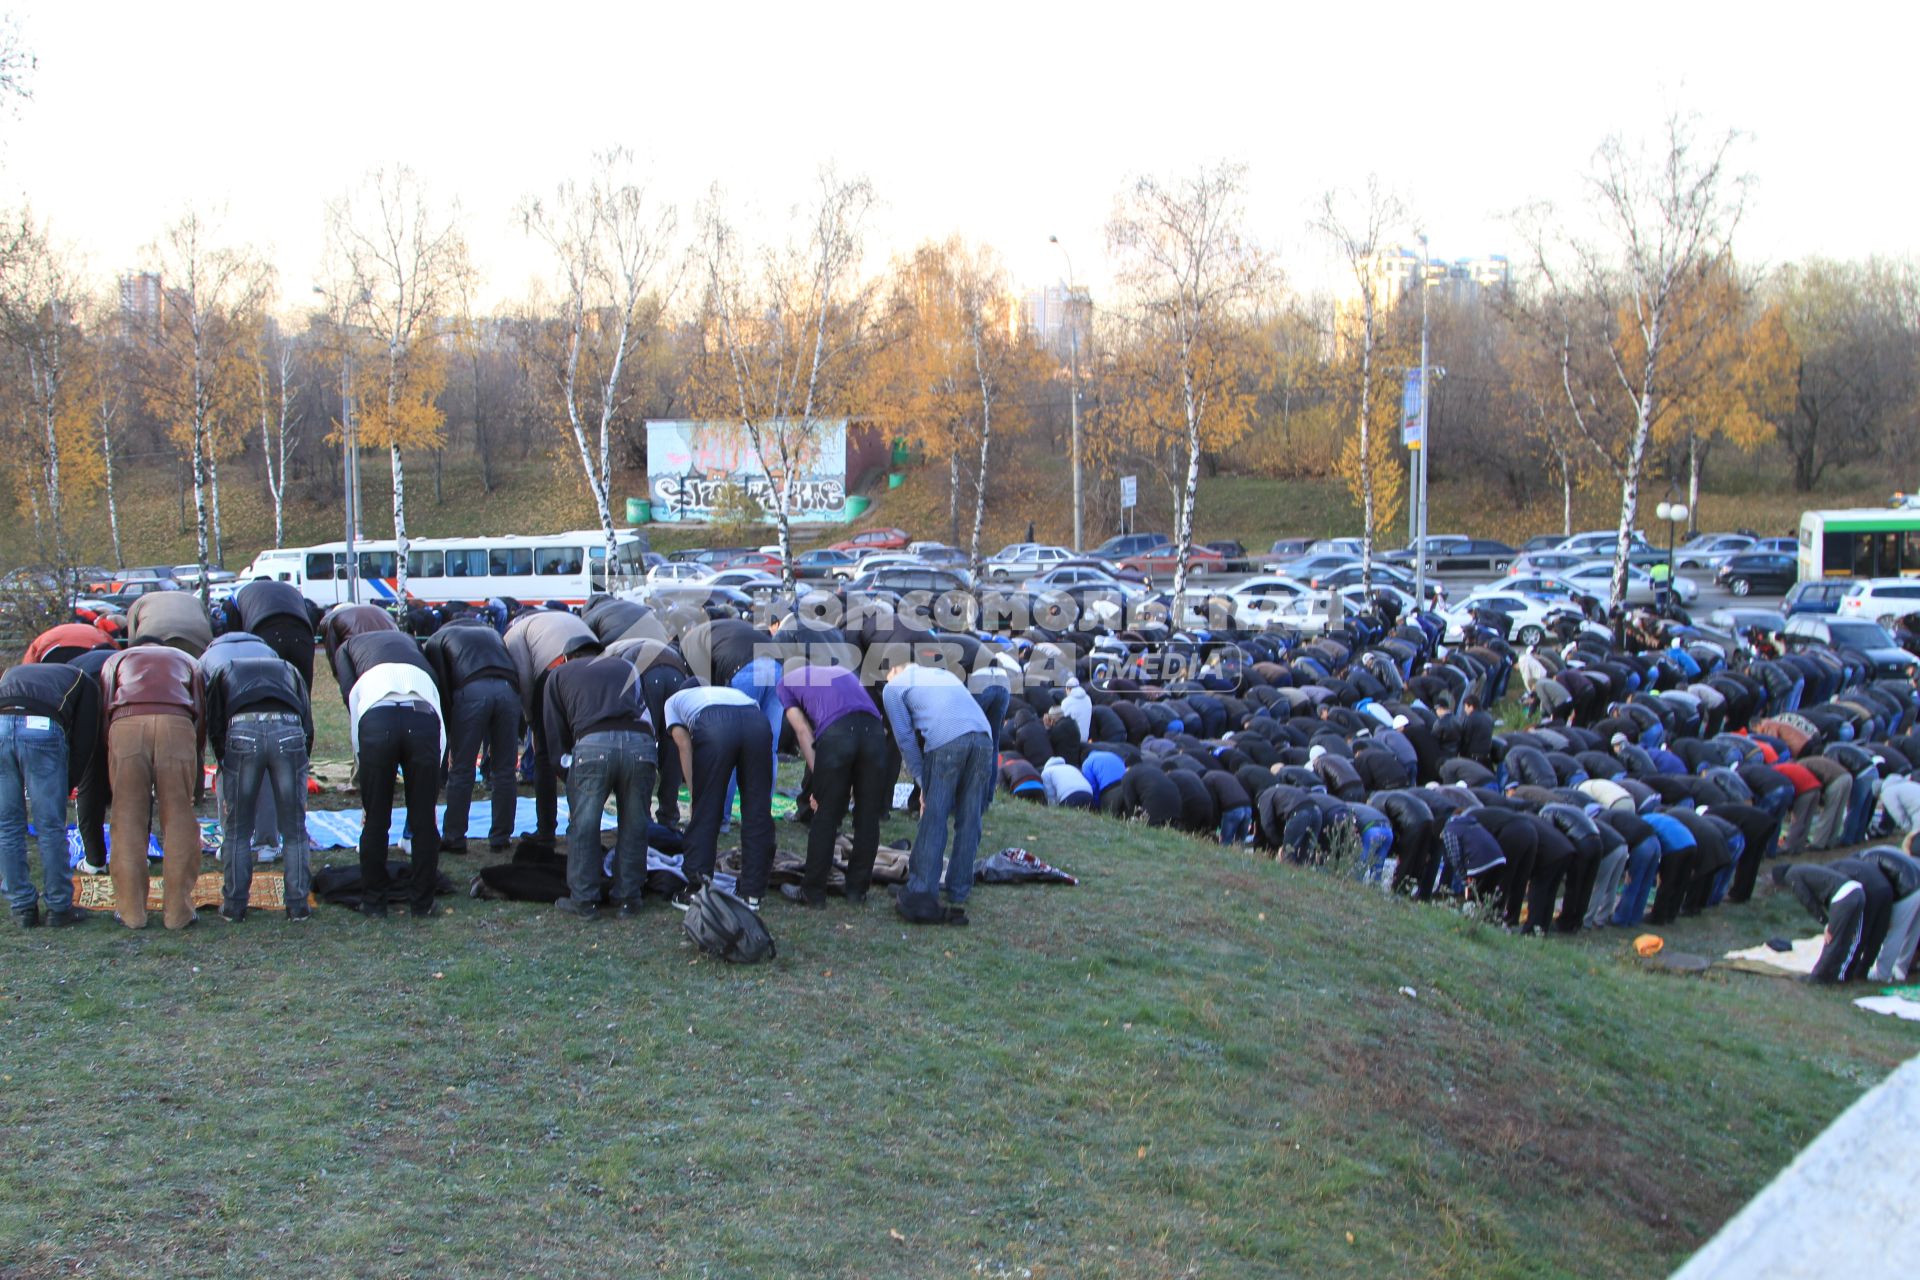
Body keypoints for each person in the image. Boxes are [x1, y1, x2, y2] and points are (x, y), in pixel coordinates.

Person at [201, 645, 313, 922]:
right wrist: (300, 760)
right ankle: (297, 905)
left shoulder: (224, 670)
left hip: (242, 732)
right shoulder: (290, 670)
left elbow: (214, 720)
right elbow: (307, 723)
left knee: (237, 829)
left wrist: (225, 758)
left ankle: (234, 905)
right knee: (295, 829)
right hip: (289, 730)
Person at [340, 630, 445, 919]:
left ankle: (374, 903)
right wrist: (432, 786)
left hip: (376, 723)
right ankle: (422, 903)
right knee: (424, 822)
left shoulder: (363, 679)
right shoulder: (424, 675)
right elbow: (441, 735)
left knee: (376, 821)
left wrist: (366, 794)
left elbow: (357, 734)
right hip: (423, 721)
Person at [99, 644, 205, 929]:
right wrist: (196, 781)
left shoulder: (116, 659)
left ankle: (131, 913)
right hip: (178, 725)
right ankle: (178, 914)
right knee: (180, 817)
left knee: (126, 817)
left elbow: (104, 705)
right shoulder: (188, 660)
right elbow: (201, 714)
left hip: (126, 725)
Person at [543, 652, 655, 920]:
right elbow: (645, 709)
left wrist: (565, 770)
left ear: (567, 656)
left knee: (584, 824)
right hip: (640, 744)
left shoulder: (559, 674)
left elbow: (554, 729)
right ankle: (629, 897)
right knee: (636, 822)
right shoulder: (626, 666)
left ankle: (584, 900)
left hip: (592, 745)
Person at [882, 661, 992, 925]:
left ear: (893, 674)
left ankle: (921, 887)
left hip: (946, 740)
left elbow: (905, 740)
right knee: (970, 816)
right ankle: (959, 889)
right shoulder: (940, 674)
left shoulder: (892, 689)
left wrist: (922, 783)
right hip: (983, 738)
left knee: (934, 817)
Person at [776, 661, 887, 907]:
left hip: (838, 732)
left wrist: (820, 781)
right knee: (867, 815)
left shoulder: (785, 683)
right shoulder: (843, 672)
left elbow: (803, 731)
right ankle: (857, 891)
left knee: (825, 815)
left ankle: (813, 891)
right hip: (875, 732)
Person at [0, 659, 100, 927]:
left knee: (7, 826)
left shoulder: (14, 670)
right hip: (41, 730)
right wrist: (68, 783)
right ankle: (58, 907)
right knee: (50, 826)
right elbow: (84, 740)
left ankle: (22, 908)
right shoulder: (84, 682)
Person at [665, 682, 776, 910]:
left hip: (716, 724)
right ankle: (752, 893)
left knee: (707, 809)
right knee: (757, 810)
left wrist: (697, 794)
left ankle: (697, 889)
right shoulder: (734, 693)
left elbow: (684, 746)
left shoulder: (673, 702)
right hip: (757, 723)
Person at [424, 615, 522, 854]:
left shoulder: (438, 639)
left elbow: (441, 686)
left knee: (462, 768)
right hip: (509, 691)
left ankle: (454, 837)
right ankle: (501, 836)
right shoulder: (493, 634)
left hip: (471, 692)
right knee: (505, 769)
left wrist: (449, 731)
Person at [230, 579, 317, 689]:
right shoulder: (291, 590)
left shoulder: (237, 594)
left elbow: (234, 634)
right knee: (302, 690)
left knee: (269, 690)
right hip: (302, 634)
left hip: (264, 631)